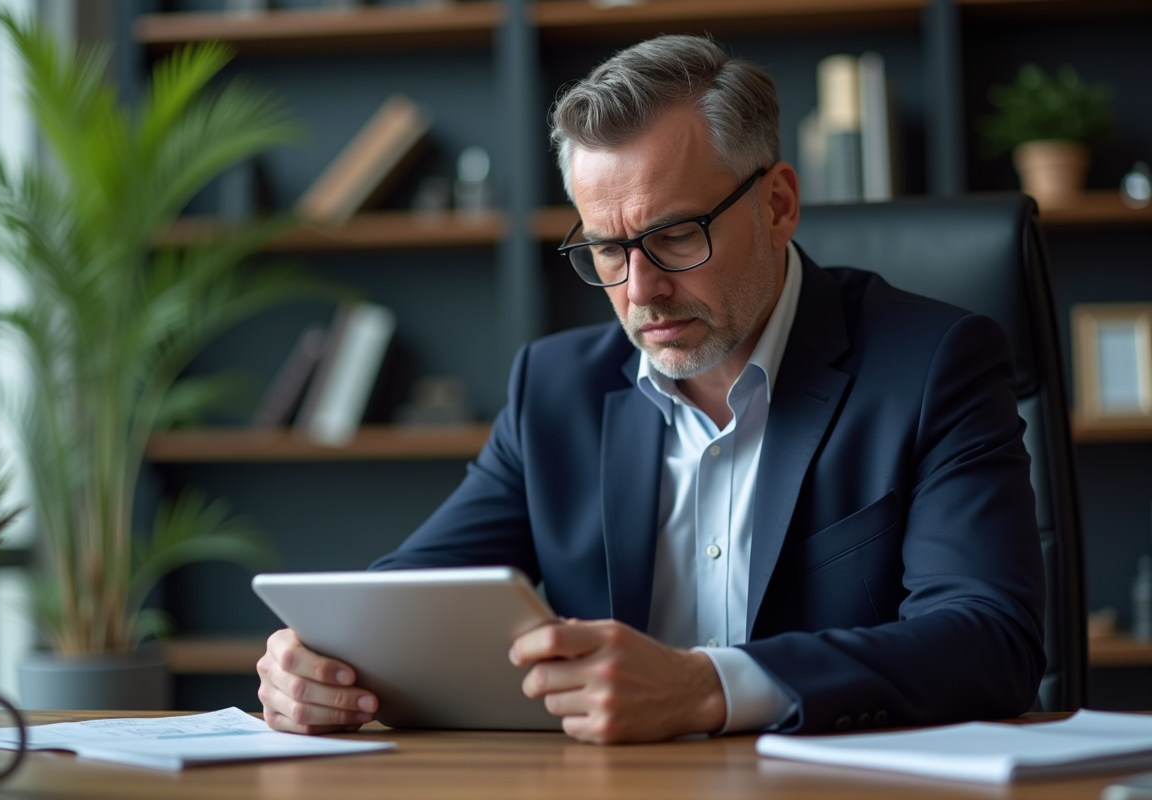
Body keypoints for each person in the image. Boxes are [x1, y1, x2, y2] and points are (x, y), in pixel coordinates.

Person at [257, 35, 1046, 743]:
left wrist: (710, 688)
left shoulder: (935, 362)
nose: (641, 290)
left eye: (674, 236)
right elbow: (415, 595)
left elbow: (989, 639)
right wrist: (319, 661)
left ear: (778, 205)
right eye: (606, 248)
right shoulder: (554, 391)